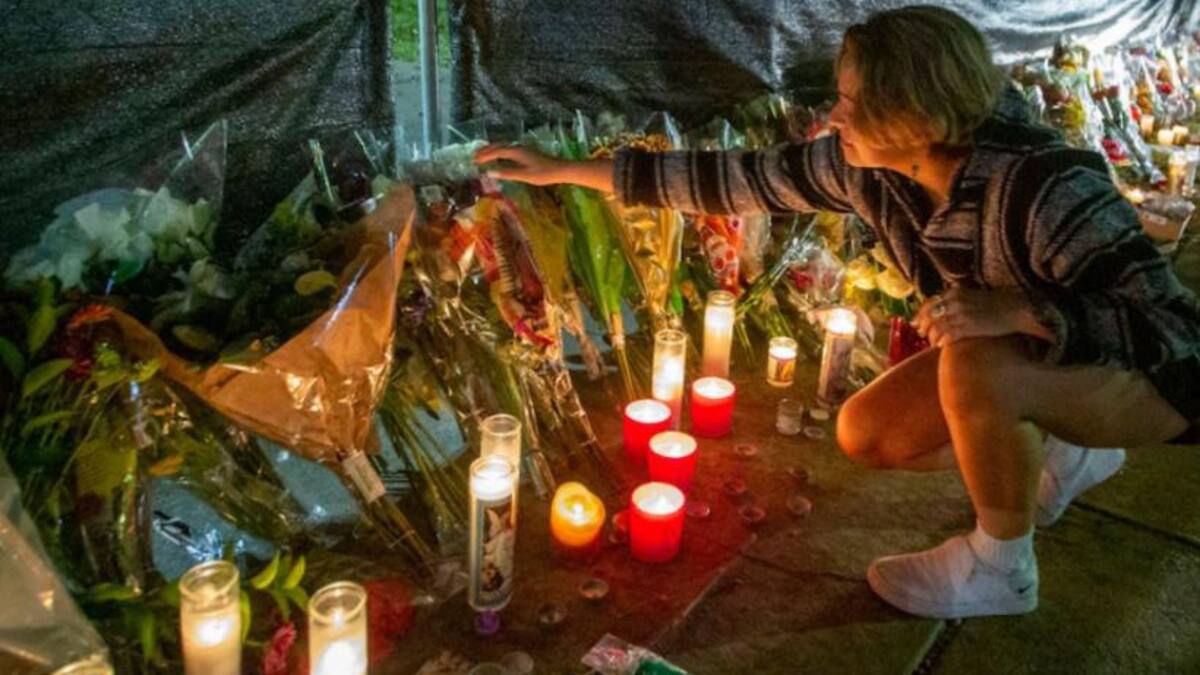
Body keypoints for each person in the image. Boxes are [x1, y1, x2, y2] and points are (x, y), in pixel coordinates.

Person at [474, 5, 1200, 619]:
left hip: (1156, 386)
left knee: (978, 362)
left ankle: (1002, 567)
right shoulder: (871, 171)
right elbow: (731, 179)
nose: (833, 115)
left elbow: (1172, 329)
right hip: (1050, 362)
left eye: (853, 102)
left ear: (916, 114)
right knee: (867, 431)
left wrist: (1020, 309)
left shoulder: (1046, 186)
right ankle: (1073, 445)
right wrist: (563, 169)